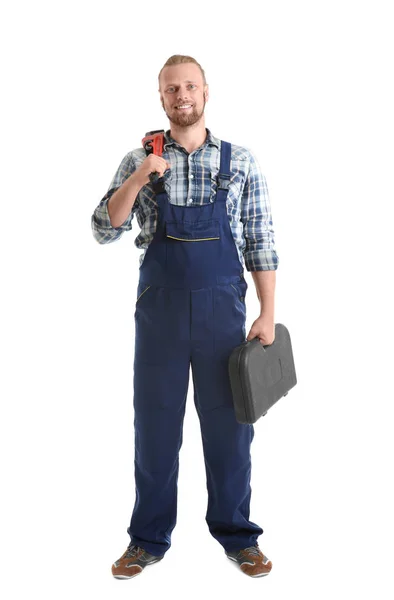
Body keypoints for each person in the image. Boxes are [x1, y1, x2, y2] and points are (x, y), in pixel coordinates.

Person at [91, 54, 279, 579]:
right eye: (171, 88)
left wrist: (268, 313)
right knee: (154, 430)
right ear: (161, 97)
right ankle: (147, 540)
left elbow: (261, 240)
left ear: (205, 92)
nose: (182, 95)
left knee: (231, 431)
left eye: (190, 86)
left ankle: (238, 536)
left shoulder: (239, 162)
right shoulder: (140, 158)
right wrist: (139, 178)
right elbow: (104, 229)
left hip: (225, 315)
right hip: (161, 317)